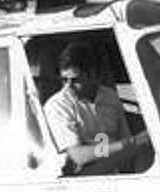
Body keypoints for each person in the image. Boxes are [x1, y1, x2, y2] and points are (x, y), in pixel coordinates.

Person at [43, 41, 152, 176]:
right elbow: (78, 156)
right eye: (64, 80)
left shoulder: (110, 97)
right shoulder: (58, 105)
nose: (68, 87)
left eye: (75, 80)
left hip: (116, 173)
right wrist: (128, 144)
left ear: (92, 74)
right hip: (83, 178)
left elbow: (126, 139)